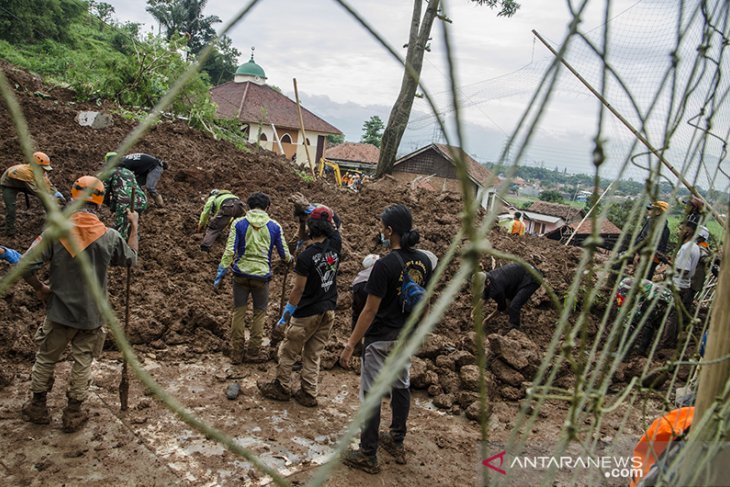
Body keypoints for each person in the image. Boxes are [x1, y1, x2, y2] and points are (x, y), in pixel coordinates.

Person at [19, 176, 138, 432]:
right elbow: (131, 260)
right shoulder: (110, 236)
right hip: (92, 315)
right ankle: (73, 413)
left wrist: (40, 288)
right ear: (100, 202)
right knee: (82, 361)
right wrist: (135, 226)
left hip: (59, 312)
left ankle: (38, 406)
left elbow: (25, 266)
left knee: (46, 358)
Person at [340, 204, 433, 474]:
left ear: (390, 230)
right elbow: (426, 301)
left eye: (382, 227)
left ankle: (368, 454)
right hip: (405, 337)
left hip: (380, 339)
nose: (380, 231)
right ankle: (396, 439)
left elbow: (370, 310)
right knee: (401, 385)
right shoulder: (425, 261)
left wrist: (350, 345)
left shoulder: (384, 265)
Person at [258, 206, 341, 407]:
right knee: (313, 354)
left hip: (307, 313)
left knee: (288, 351)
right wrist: (308, 217)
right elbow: (336, 223)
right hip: (328, 309)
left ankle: (282, 387)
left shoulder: (305, 258)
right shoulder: (335, 245)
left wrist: (286, 316)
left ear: (312, 228)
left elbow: (298, 290)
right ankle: (308, 392)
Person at [216, 192, 290, 364]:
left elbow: (229, 250)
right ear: (267, 207)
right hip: (261, 276)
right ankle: (253, 351)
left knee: (238, 311)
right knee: (259, 313)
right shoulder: (275, 226)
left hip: (240, 273)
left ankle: (236, 352)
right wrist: (290, 260)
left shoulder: (238, 223)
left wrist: (221, 271)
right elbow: (284, 254)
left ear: (248, 207)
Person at [1, 152, 64, 236]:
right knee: (11, 208)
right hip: (9, 185)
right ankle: (10, 232)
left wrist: (55, 192)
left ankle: (53, 220)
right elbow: (35, 189)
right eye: (43, 168)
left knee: (46, 197)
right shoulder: (25, 172)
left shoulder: (42, 172)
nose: (44, 170)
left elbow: (47, 184)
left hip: (26, 184)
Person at [661, 219, 701, 348]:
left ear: (688, 231)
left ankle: (666, 343)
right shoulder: (695, 247)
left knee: (670, 315)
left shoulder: (686, 248)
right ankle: (670, 341)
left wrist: (669, 264)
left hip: (677, 284)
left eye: (681, 229)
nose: (679, 232)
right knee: (675, 314)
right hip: (684, 285)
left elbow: (684, 270)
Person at [480, 263, 541, 329]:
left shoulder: (497, 290)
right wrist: (474, 311)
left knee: (514, 306)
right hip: (519, 274)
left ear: (487, 282)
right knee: (509, 302)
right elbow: (485, 296)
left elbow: (501, 307)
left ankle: (514, 328)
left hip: (533, 277)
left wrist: (487, 320)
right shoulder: (487, 277)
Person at [101, 153, 148, 239]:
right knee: (133, 224)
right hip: (141, 200)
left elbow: (103, 191)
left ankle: (122, 248)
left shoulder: (110, 172)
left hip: (126, 201)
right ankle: (134, 245)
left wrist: (107, 203)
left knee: (121, 227)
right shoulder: (128, 171)